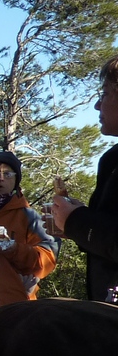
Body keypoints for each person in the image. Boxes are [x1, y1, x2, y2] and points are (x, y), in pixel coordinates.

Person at [51, 55, 118, 301]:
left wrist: (77, 221)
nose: (97, 106)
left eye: (105, 94)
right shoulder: (112, 159)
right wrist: (73, 223)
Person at [0, 151, 57, 305]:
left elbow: (46, 261)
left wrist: (14, 249)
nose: (1, 178)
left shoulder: (29, 216)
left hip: (15, 304)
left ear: (16, 180)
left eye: (8, 174)